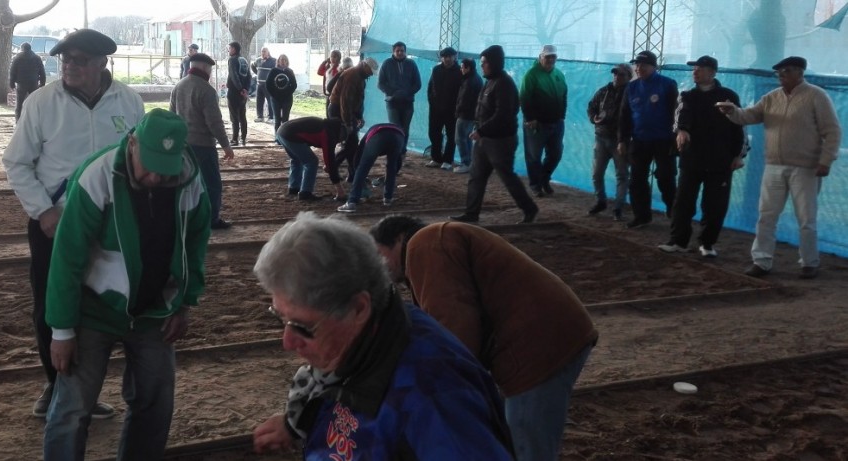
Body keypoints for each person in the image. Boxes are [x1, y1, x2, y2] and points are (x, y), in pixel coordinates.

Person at [251, 212, 515, 460]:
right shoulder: (361, 342)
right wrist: (301, 422)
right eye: (280, 317)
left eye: (303, 326)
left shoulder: (433, 397)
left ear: (358, 309)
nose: (287, 342)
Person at [43, 108, 211, 460]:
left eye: (165, 170)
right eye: (149, 165)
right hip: (94, 309)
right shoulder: (98, 175)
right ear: (132, 143)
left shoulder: (189, 180)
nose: (155, 177)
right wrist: (62, 330)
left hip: (154, 311)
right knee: (73, 409)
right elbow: (67, 255)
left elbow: (195, 243)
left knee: (155, 402)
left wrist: (184, 302)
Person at [370, 215, 598, 461]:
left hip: (539, 347)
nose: (379, 266)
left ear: (399, 239)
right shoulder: (434, 245)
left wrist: (446, 388)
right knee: (512, 434)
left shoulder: (426, 243)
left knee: (525, 446)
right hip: (546, 336)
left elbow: (453, 324)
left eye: (379, 254)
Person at [2, 28, 144, 420]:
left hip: (113, 227)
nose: (69, 67)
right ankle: (56, 384)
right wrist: (43, 211)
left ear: (102, 63)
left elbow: (137, 160)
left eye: (80, 60)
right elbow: (16, 162)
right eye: (65, 60)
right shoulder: (41, 103)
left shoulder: (128, 101)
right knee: (52, 305)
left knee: (102, 303)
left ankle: (85, 389)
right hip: (56, 222)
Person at [719, 56, 842, 279]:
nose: (781, 75)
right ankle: (761, 261)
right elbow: (749, 116)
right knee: (766, 216)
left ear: (800, 73)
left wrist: (826, 161)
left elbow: (832, 131)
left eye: (786, 71)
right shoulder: (771, 97)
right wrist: (732, 111)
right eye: (779, 72)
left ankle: (809, 262)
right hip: (774, 166)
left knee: (806, 219)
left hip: (806, 168)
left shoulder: (816, 96)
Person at [657, 56, 746, 257]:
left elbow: (739, 124)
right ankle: (678, 241)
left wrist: (738, 155)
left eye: (700, 68)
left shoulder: (728, 96)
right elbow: (679, 117)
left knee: (715, 205)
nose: (695, 72)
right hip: (692, 159)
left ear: (712, 72)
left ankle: (707, 244)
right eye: (694, 69)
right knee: (683, 202)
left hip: (720, 161)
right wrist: (682, 130)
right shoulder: (687, 95)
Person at [450, 45, 539, 225]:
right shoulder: (490, 81)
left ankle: (529, 208)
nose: (482, 66)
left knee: (507, 176)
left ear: (494, 63)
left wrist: (481, 130)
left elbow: (503, 114)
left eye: (484, 62)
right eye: (481, 62)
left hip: (500, 141)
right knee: (476, 176)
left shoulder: (504, 84)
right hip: (484, 139)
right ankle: (471, 213)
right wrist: (481, 131)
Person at [170, 52, 236, 230]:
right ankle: (212, 219)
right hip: (204, 146)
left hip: (183, 145)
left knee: (186, 183)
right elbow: (214, 122)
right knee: (212, 184)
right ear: (205, 68)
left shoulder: (179, 86)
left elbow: (171, 116)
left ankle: (186, 217)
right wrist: (226, 145)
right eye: (210, 70)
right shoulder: (206, 90)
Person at [618, 50, 679, 229]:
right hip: (639, 140)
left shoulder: (667, 84)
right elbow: (624, 116)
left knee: (666, 178)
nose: (639, 68)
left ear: (654, 66)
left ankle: (674, 211)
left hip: (664, 141)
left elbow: (676, 113)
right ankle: (642, 216)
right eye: (637, 65)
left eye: (643, 65)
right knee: (637, 180)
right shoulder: (631, 87)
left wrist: (675, 138)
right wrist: (622, 140)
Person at [519, 44, 568, 197]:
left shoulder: (559, 74)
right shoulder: (531, 75)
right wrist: (530, 118)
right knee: (534, 156)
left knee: (556, 154)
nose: (551, 59)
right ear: (540, 57)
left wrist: (562, 116)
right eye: (548, 56)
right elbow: (524, 98)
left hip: (556, 122)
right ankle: (536, 185)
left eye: (553, 56)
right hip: (537, 123)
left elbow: (564, 95)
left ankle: (544, 179)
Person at [587, 63, 632, 221]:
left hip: (621, 140)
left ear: (629, 77)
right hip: (601, 137)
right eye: (615, 73)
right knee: (596, 173)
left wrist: (625, 139)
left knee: (622, 175)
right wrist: (594, 118)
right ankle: (601, 201)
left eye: (621, 74)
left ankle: (618, 207)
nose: (617, 77)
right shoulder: (603, 91)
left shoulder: (631, 93)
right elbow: (591, 107)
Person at [336, 123, 406, 212]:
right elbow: (398, 162)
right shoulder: (399, 132)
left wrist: (358, 174)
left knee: (363, 167)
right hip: (398, 137)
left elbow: (358, 158)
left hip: (378, 136)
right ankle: (388, 198)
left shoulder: (366, 138)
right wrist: (393, 172)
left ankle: (351, 202)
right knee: (391, 167)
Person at [275, 117, 347, 201]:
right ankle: (305, 192)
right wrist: (339, 187)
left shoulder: (325, 124)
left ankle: (294, 187)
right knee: (312, 162)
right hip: (290, 135)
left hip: (281, 131)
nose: (338, 142)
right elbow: (330, 159)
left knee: (296, 159)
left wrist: (328, 166)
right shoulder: (329, 135)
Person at [377, 41, 422, 163]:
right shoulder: (387, 64)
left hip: (407, 102)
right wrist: (393, 93)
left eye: (402, 50)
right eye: (397, 51)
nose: (400, 53)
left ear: (405, 52)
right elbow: (380, 83)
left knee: (405, 129)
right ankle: (394, 151)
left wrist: (407, 93)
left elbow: (418, 84)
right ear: (393, 52)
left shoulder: (411, 64)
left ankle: (402, 151)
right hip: (392, 102)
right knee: (395, 128)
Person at [425, 46, 460, 170]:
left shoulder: (459, 71)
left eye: (449, 56)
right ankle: (436, 158)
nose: (447, 59)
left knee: (451, 136)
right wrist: (431, 102)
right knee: (434, 133)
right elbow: (430, 87)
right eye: (444, 57)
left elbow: (462, 91)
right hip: (435, 109)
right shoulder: (436, 70)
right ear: (441, 58)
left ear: (455, 57)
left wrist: (457, 107)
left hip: (452, 110)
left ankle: (448, 160)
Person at [453, 57, 482, 174]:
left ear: (468, 68)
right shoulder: (475, 78)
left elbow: (464, 100)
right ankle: (470, 162)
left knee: (459, 138)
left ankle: (465, 163)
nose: (461, 70)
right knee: (467, 138)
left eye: (462, 68)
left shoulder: (470, 81)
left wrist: (457, 111)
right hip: (471, 115)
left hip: (465, 115)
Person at [9, 42, 46, 121]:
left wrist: (12, 84)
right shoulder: (37, 58)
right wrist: (42, 83)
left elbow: (12, 72)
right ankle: (34, 120)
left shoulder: (17, 58)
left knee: (19, 104)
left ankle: (18, 121)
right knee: (34, 103)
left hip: (21, 83)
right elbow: (42, 72)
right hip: (34, 83)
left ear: (22, 49)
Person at [226, 41, 251, 146]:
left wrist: (240, 88)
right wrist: (246, 89)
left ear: (234, 49)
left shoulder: (232, 60)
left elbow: (233, 75)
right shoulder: (244, 60)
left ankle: (235, 139)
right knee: (242, 116)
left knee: (234, 117)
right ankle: (243, 138)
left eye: (230, 48)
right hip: (243, 93)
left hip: (234, 91)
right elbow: (249, 76)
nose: (229, 50)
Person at [266, 54, 298, 133]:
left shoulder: (290, 71)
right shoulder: (273, 71)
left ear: (287, 61)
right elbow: (268, 84)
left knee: (285, 120)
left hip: (287, 99)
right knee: (277, 120)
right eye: (281, 60)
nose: (283, 61)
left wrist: (287, 94)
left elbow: (294, 85)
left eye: (285, 60)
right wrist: (274, 95)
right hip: (275, 99)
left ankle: (284, 136)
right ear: (278, 61)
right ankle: (277, 136)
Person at [251, 47, 277, 123]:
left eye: (264, 51)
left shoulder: (273, 61)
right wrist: (258, 73)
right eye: (262, 51)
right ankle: (260, 116)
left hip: (268, 84)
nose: (263, 53)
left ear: (268, 52)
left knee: (270, 101)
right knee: (259, 101)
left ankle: (271, 117)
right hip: (259, 84)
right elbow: (252, 66)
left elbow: (276, 70)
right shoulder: (258, 60)